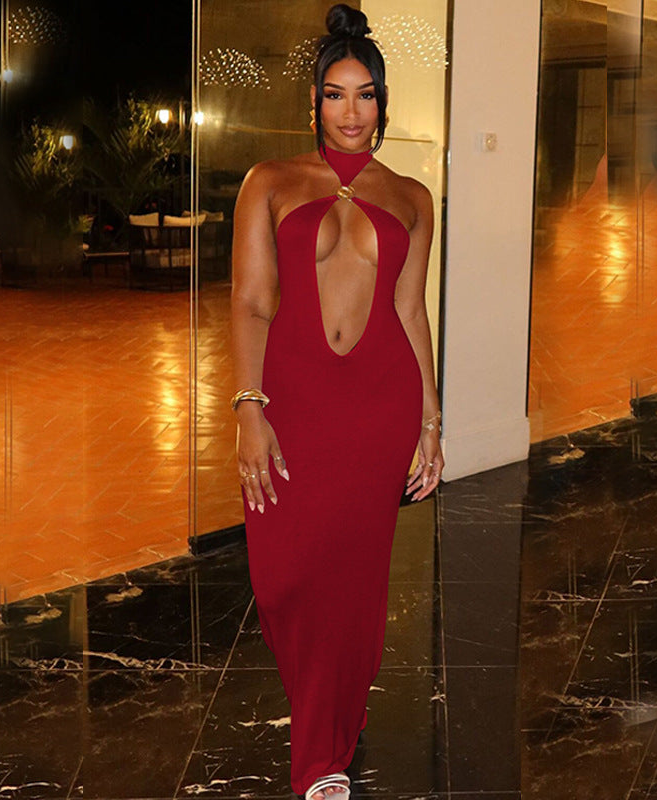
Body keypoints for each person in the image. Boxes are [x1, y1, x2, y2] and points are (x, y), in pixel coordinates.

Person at [230, 5, 443, 798]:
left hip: (379, 405)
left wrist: (430, 421)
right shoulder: (271, 182)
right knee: (283, 576)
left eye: (365, 94)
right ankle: (334, 710)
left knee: (353, 585)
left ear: (383, 102)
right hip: (293, 400)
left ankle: (322, 759)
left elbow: (411, 312)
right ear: (314, 102)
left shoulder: (413, 196)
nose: (351, 112)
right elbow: (251, 303)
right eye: (335, 94)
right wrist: (249, 408)